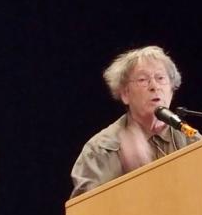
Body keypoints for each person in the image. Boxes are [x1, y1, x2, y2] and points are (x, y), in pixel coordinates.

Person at [70, 45, 193, 197]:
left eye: (160, 78)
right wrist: (130, 176)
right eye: (143, 80)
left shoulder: (190, 139)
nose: (154, 86)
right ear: (125, 94)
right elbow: (86, 212)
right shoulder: (100, 149)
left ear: (172, 89)